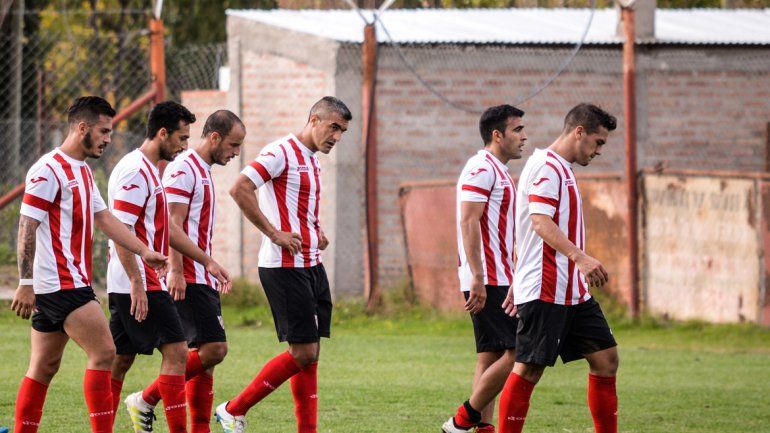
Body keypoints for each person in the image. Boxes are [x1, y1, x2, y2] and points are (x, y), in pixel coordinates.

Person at [11, 96, 168, 433]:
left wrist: (143, 251)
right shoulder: (47, 169)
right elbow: (27, 225)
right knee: (105, 353)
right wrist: (25, 282)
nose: (108, 138)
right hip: (63, 283)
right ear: (81, 127)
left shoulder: (81, 170)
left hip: (63, 283)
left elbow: (105, 218)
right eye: (103, 131)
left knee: (44, 366)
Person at [215, 96, 352, 433]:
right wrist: (273, 233)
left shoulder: (313, 161)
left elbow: (297, 208)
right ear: (314, 120)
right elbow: (240, 188)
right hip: (283, 266)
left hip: (311, 264)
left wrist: (315, 232)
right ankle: (233, 409)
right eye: (334, 127)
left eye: (343, 131)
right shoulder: (281, 151)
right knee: (303, 351)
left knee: (311, 351)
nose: (337, 136)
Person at [106, 101, 229, 433]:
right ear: (163, 133)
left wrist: (207, 261)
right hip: (138, 281)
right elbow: (121, 229)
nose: (185, 146)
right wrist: (136, 280)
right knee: (176, 353)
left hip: (140, 279)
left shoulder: (149, 169)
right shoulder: (134, 170)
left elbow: (166, 230)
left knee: (119, 361)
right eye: (181, 138)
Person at [498, 103, 619, 433]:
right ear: (579, 132)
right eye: (598, 142)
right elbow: (539, 221)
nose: (598, 151)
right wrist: (582, 257)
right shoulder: (547, 167)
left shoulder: (562, 168)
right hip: (547, 288)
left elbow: (528, 228)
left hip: (572, 292)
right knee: (529, 369)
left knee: (606, 359)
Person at [443, 104, 528, 433]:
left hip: (499, 275)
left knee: (490, 355)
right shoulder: (481, 167)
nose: (524, 136)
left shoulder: (499, 170)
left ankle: (483, 427)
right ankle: (463, 419)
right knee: (519, 349)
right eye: (517, 129)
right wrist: (478, 277)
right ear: (497, 135)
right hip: (489, 277)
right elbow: (468, 220)